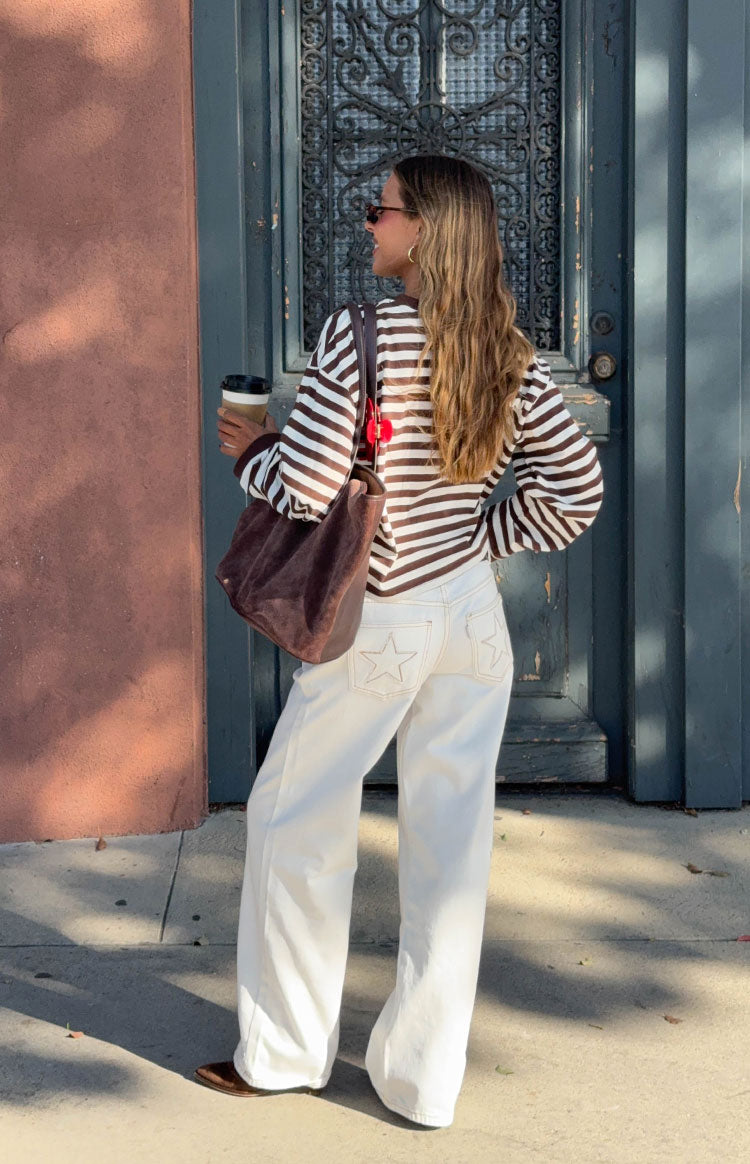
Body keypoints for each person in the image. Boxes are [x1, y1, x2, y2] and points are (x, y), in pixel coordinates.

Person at [197, 155, 604, 1127]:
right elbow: (576, 490)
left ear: (421, 229)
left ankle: (287, 1056)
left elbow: (305, 488)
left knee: (295, 823)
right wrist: (481, 540)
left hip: (376, 617)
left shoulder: (359, 333)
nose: (366, 226)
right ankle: (423, 1085)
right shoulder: (505, 347)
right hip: (468, 617)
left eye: (378, 211)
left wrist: (248, 450)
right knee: (450, 847)